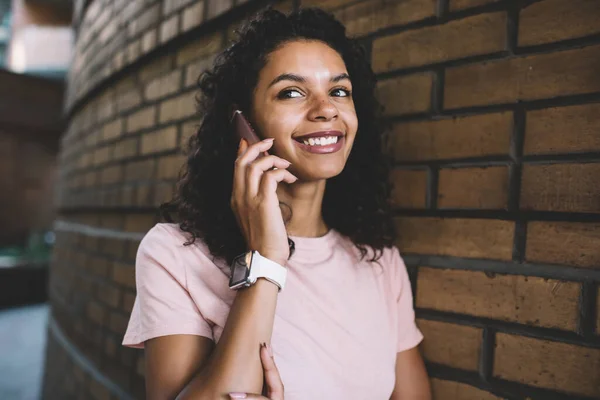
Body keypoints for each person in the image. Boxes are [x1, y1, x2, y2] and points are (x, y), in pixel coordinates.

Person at [122, 6, 431, 400]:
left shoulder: (378, 261)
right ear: (242, 123)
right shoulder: (174, 254)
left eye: (339, 90)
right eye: (291, 92)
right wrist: (266, 258)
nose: (326, 109)